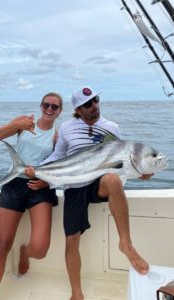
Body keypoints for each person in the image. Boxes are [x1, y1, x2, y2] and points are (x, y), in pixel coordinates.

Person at [26, 86, 152, 300]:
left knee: (112, 179)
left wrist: (140, 170)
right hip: (74, 186)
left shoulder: (111, 127)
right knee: (72, 240)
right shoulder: (67, 128)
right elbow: (58, 155)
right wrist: (38, 171)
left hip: (98, 182)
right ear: (78, 110)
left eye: (95, 100)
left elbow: (121, 160)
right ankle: (77, 292)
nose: (93, 106)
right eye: (87, 104)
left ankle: (125, 244)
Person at [0, 92, 63, 300]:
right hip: (14, 185)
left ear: (60, 111)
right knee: (1, 246)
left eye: (55, 107)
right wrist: (17, 126)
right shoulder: (23, 122)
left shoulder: (57, 135)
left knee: (40, 249)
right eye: (47, 105)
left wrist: (46, 181)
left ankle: (25, 252)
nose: (50, 109)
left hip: (40, 187)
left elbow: (59, 166)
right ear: (41, 106)